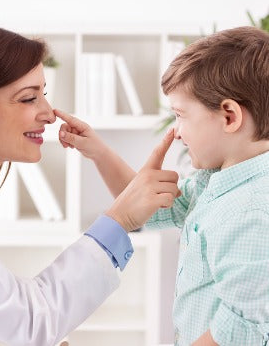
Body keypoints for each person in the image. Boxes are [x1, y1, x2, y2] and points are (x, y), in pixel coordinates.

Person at [0, 24, 181, 346]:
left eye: (44, 93)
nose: (48, 113)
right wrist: (119, 221)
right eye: (28, 98)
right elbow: (28, 321)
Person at [55, 26, 269, 345]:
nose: (177, 132)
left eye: (181, 115)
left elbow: (241, 329)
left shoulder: (251, 212)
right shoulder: (217, 179)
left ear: (228, 116)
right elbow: (148, 209)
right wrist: (99, 153)